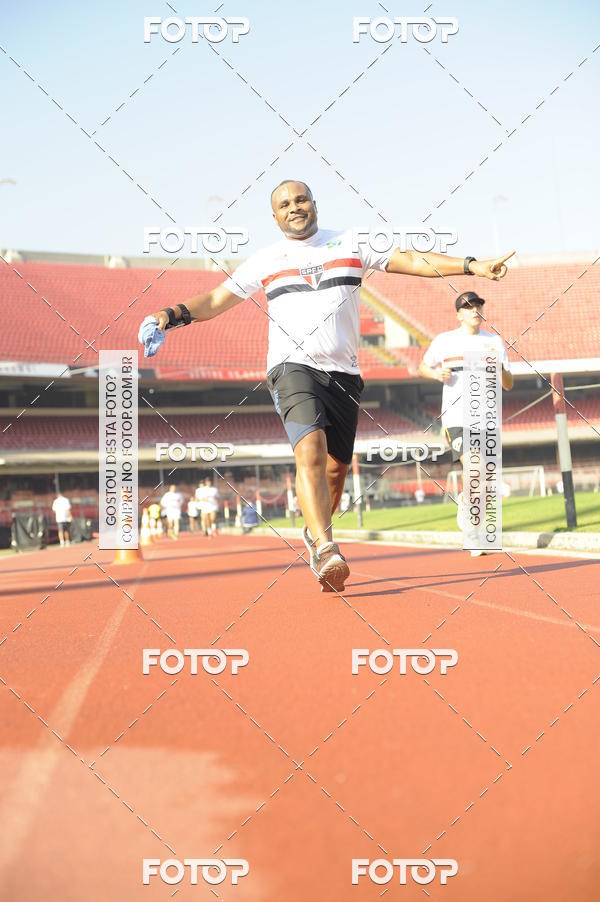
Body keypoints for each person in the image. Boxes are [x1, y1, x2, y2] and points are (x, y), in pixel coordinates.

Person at [139, 180, 513, 591]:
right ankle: (324, 546)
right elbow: (215, 300)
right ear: (275, 217)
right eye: (284, 204)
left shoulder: (352, 242)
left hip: (345, 376)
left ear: (314, 204)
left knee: (336, 470)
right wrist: (168, 315)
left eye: (301, 199)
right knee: (310, 451)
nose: (294, 207)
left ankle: (315, 530)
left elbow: (412, 260)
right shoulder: (267, 259)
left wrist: (471, 265)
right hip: (292, 368)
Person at [418, 290, 514, 556]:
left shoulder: (494, 342)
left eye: (478, 305)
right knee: (475, 469)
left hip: (487, 420)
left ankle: (469, 513)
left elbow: (508, 384)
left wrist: (501, 368)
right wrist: (436, 373)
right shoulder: (444, 341)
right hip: (457, 418)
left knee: (481, 480)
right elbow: (422, 367)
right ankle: (472, 534)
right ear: (459, 314)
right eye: (469, 307)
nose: (475, 310)